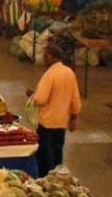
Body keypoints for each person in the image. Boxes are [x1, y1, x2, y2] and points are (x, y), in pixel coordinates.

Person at [27, 42, 81, 174]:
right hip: (61, 123)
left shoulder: (49, 75)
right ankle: (57, 178)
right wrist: (73, 118)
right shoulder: (69, 73)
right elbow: (75, 99)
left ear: (54, 57)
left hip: (47, 123)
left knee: (45, 157)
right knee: (58, 154)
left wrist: (32, 96)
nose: (44, 58)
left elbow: (41, 99)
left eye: (46, 56)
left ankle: (46, 179)